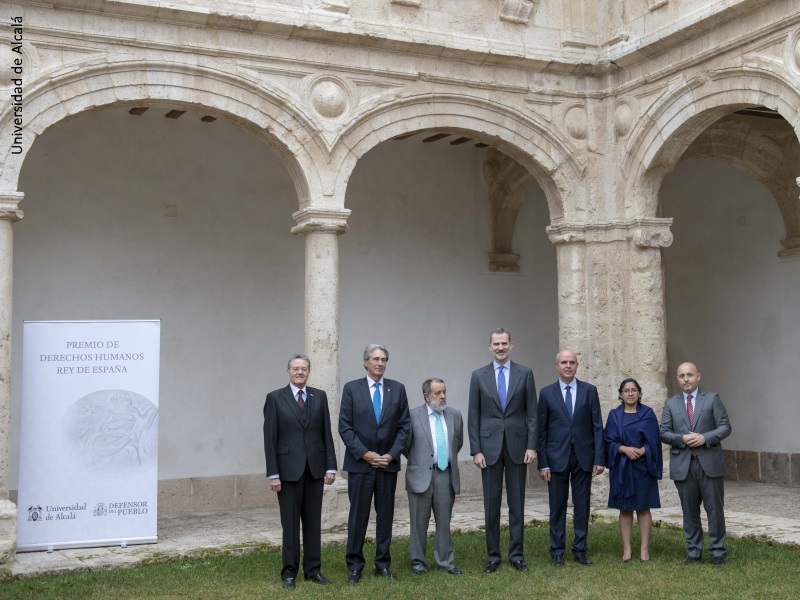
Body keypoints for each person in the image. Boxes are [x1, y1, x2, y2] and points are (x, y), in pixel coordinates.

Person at [263, 353, 337, 590]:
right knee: (291, 525)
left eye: (304, 369)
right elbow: (270, 438)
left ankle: (313, 570)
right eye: (295, 369)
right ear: (288, 372)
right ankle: (289, 573)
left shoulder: (319, 396)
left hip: (314, 470)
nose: (300, 372)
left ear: (309, 371)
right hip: (287, 472)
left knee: (313, 523)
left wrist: (330, 466)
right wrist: (273, 474)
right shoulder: (275, 398)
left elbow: (326, 433)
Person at [339, 343, 411, 582]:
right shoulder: (351, 389)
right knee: (358, 516)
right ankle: (355, 564)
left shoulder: (397, 389)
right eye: (375, 359)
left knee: (385, 516)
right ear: (365, 362)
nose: (380, 363)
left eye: (383, 360)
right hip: (360, 465)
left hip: (387, 465)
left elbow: (404, 427)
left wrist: (390, 455)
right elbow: (345, 427)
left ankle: (382, 563)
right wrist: (365, 454)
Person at [468, 328, 537, 573]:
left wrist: (531, 445)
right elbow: (473, 416)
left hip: (518, 447)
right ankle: (493, 556)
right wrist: (475, 449)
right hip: (488, 449)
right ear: (489, 347)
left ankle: (517, 554)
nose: (500, 347)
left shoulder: (525, 374)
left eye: (504, 343)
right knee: (491, 504)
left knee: (517, 504)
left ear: (511, 345)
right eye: (496, 344)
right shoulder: (478, 376)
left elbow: (532, 414)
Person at [537, 350, 605, 566]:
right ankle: (556, 551)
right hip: (556, 458)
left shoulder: (589, 391)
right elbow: (542, 431)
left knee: (582, 505)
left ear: (577, 365)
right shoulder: (547, 393)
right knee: (557, 506)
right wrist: (543, 462)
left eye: (572, 362)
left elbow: (597, 426)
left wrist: (599, 458)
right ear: (556, 365)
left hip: (583, 457)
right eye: (564, 362)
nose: (568, 366)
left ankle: (580, 549)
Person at [661, 362, 731, 566]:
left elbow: (725, 426)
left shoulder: (712, 399)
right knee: (689, 511)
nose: (686, 379)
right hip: (684, 465)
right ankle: (693, 551)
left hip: (709, 463)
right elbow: (663, 432)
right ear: (678, 379)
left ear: (698, 376)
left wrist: (705, 438)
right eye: (682, 376)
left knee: (714, 511)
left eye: (690, 375)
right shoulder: (670, 404)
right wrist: (682, 438)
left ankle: (718, 552)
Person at [403, 378, 464, 576]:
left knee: (444, 521)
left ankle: (445, 560)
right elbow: (406, 445)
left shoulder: (455, 415)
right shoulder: (413, 416)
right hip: (420, 476)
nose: (443, 396)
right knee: (418, 522)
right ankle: (419, 563)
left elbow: (458, 443)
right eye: (438, 393)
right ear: (426, 396)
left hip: (445, 474)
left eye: (444, 391)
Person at [604, 378, 662, 562]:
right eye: (626, 390)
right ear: (620, 394)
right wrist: (624, 449)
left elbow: (654, 440)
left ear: (639, 393)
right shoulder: (614, 415)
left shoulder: (648, 413)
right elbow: (608, 441)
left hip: (643, 467)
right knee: (625, 509)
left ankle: (644, 550)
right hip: (622, 468)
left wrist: (643, 450)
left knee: (643, 508)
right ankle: (627, 549)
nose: (630, 393)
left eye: (634, 390)